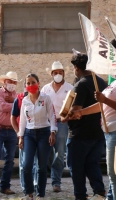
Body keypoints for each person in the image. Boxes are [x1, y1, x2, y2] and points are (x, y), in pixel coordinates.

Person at [69, 42, 116, 200]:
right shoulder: (113, 82)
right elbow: (101, 105)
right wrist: (81, 112)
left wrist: (105, 101)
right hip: (110, 134)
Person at [62, 53, 107, 200]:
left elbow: (76, 111)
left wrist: (65, 116)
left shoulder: (81, 84)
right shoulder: (102, 82)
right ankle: (99, 192)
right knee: (92, 164)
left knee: (76, 168)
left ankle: (80, 196)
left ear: (76, 68)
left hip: (79, 135)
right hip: (98, 134)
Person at [18, 73, 57, 199]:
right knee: (26, 165)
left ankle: (40, 194)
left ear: (38, 83)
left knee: (42, 166)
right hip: (29, 134)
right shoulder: (25, 100)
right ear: (25, 85)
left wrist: (52, 132)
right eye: (28, 83)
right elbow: (23, 120)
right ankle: (29, 193)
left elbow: (52, 116)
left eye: (33, 82)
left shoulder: (46, 98)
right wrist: (21, 137)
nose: (31, 85)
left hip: (44, 133)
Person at [41, 61, 73, 192]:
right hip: (47, 123)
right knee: (46, 152)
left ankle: (56, 181)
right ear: (51, 74)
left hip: (62, 123)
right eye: (55, 73)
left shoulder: (70, 88)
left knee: (60, 153)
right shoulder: (45, 89)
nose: (58, 74)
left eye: (60, 72)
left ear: (64, 73)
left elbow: (72, 106)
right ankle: (46, 177)